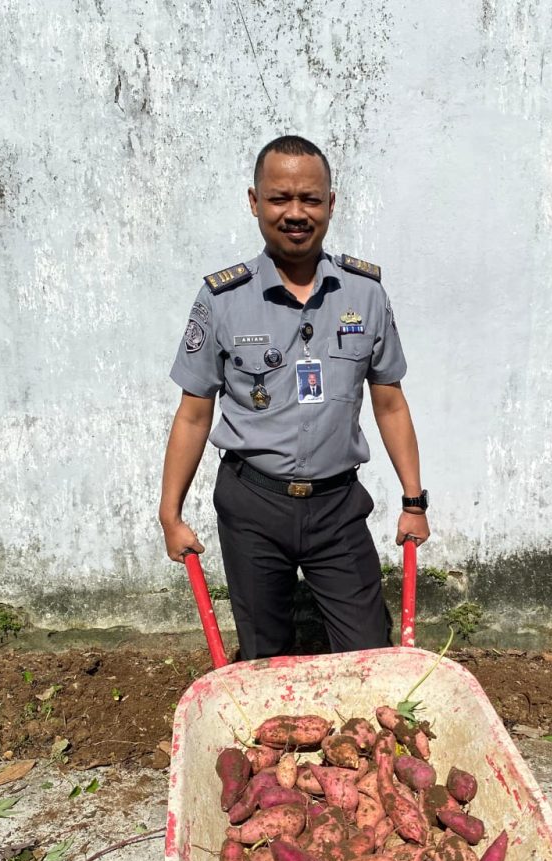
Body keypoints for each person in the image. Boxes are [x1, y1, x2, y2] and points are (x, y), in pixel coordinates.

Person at [159, 135, 430, 659]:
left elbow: (390, 402)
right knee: (264, 656)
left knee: (368, 653)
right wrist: (170, 515)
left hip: (337, 504)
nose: (295, 213)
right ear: (255, 202)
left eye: (309, 199)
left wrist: (414, 501)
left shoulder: (365, 294)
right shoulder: (221, 300)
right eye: (280, 198)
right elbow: (194, 415)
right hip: (252, 504)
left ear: (331, 204)